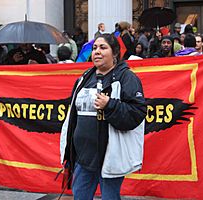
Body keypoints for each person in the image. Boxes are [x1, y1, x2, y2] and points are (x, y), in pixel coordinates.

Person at [60, 33, 146, 199]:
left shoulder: (127, 77)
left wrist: (110, 105)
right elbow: (73, 116)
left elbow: (137, 112)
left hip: (109, 157)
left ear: (114, 53)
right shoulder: (84, 78)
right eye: (94, 48)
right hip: (83, 158)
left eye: (103, 47)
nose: (97, 52)